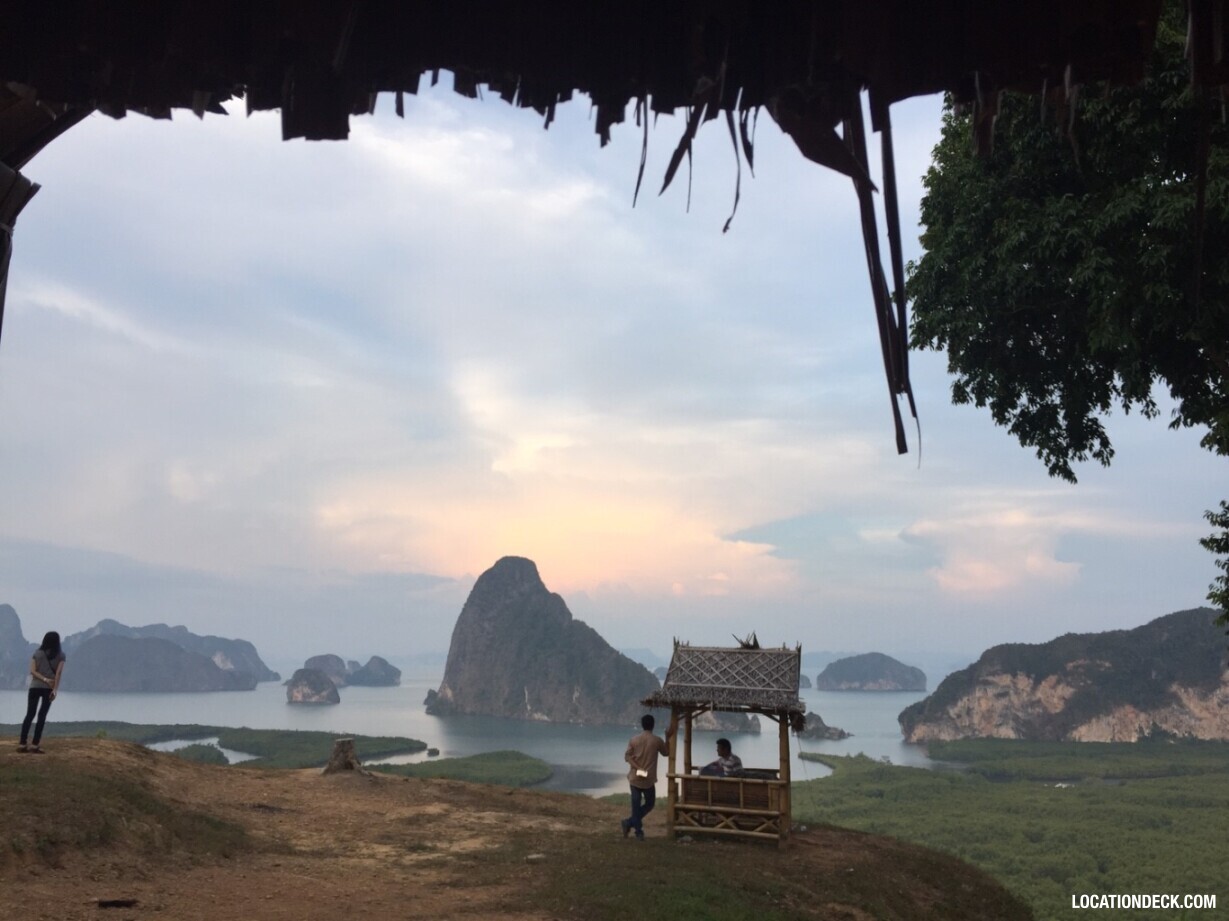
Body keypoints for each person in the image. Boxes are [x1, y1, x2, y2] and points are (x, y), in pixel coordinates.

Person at [621, 711, 678, 840]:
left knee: (636, 806)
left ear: (642, 725)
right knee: (650, 803)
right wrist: (667, 737)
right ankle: (638, 832)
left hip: (634, 778)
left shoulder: (634, 740)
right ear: (652, 725)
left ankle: (630, 824)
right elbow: (666, 753)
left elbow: (627, 756)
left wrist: (637, 766)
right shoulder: (657, 741)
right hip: (648, 780)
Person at [19, 631, 66, 754]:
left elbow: (32, 671)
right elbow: (59, 673)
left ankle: (22, 743)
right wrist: (55, 689)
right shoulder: (61, 655)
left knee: (30, 714)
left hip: (34, 687)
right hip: (48, 688)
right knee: (42, 716)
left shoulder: (37, 653)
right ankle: (35, 745)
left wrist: (42, 679)